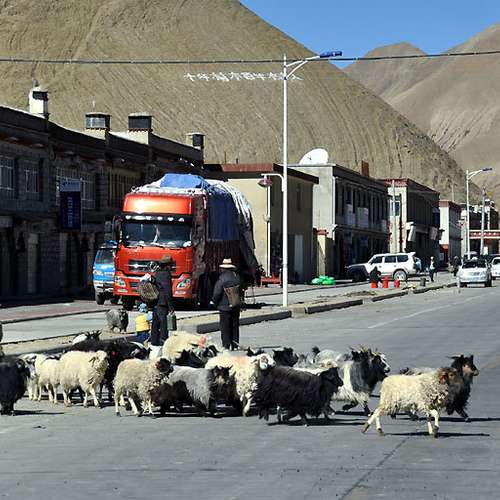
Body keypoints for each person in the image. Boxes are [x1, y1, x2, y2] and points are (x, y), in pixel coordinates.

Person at [211, 258, 241, 351]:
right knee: (234, 325)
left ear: (223, 268)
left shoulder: (222, 278)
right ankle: (235, 344)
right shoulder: (236, 277)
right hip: (235, 305)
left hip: (224, 306)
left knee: (225, 327)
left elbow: (217, 292)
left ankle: (226, 345)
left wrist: (214, 302)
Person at [150, 255, 175, 349]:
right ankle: (163, 344)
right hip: (162, 303)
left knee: (155, 324)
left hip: (155, 301)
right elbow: (167, 292)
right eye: (170, 265)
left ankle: (154, 343)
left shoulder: (157, 273)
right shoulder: (166, 274)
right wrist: (171, 307)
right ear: (167, 265)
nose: (171, 267)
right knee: (164, 325)